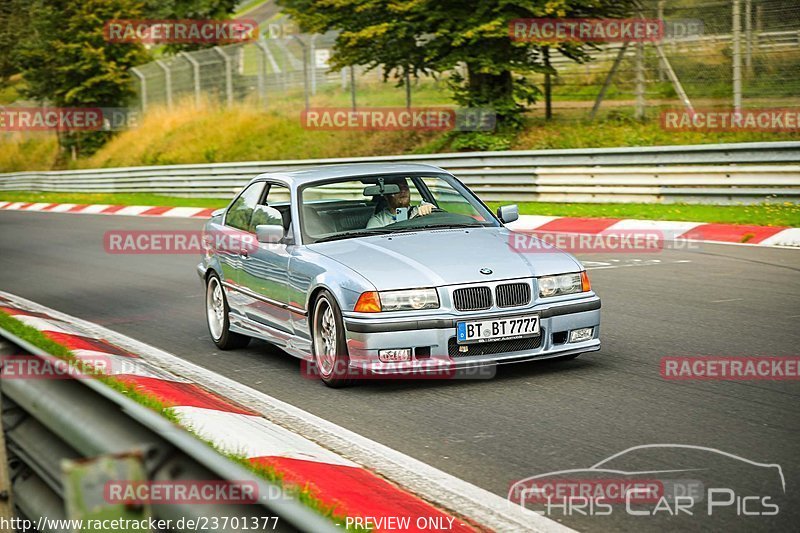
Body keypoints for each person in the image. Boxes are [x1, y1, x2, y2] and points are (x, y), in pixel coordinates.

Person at [366, 177, 434, 228]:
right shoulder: (378, 221)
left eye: (405, 187)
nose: (403, 191)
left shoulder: (419, 211)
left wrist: (430, 208)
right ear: (386, 196)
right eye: (397, 188)